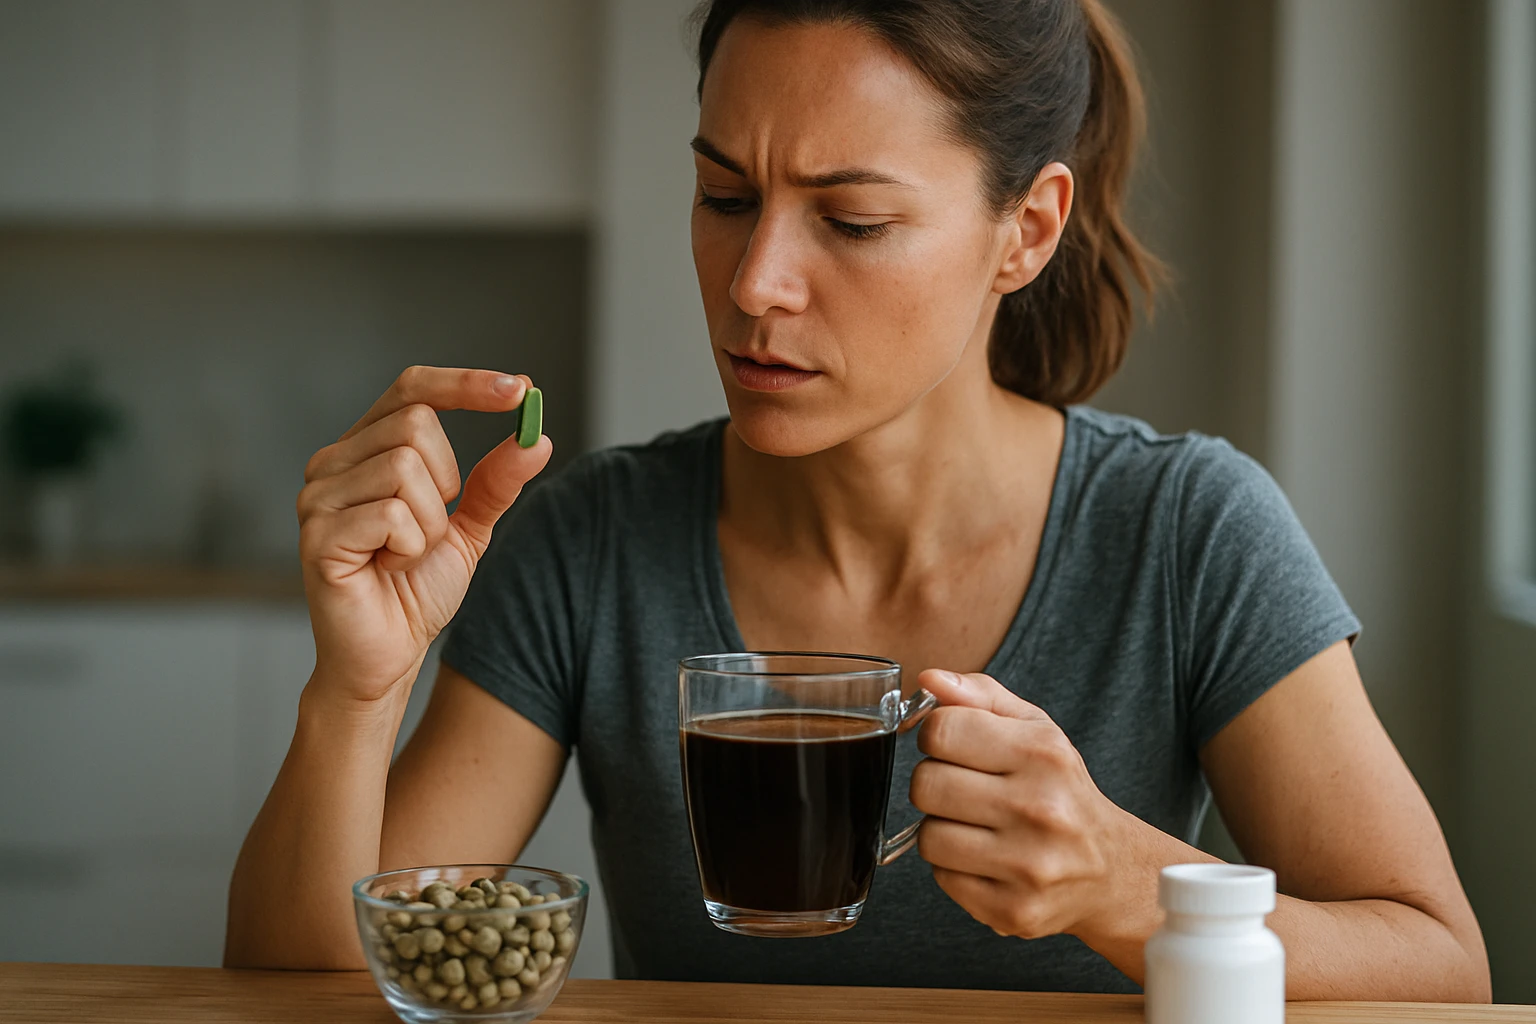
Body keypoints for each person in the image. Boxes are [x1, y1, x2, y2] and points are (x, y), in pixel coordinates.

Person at [226, 0, 1490, 999]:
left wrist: (1121, 876)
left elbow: (1442, 965)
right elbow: (314, 982)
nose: (755, 281)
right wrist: (355, 692)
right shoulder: (589, 540)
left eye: (853, 219)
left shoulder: (1186, 531)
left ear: (1027, 230)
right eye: (725, 197)